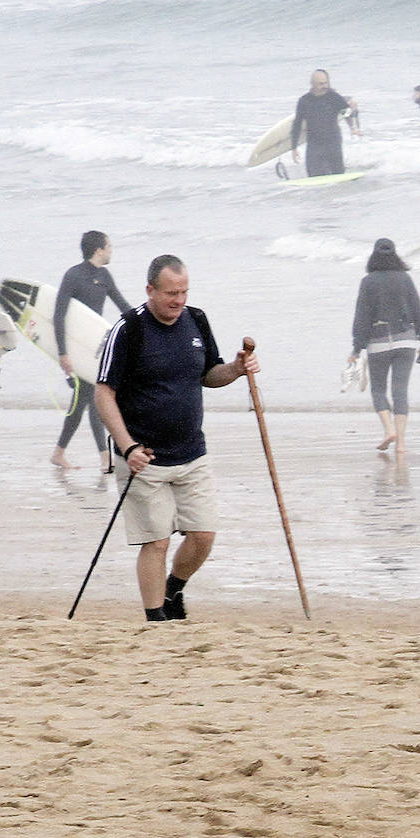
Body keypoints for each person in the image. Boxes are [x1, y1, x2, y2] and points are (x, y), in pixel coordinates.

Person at [94, 254, 258, 622]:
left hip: (192, 453)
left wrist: (235, 369)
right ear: (150, 289)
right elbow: (103, 392)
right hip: (144, 456)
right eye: (170, 293)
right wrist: (127, 447)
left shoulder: (196, 320)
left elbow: (209, 375)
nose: (178, 300)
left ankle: (172, 591)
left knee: (203, 536)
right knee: (157, 541)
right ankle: (156, 619)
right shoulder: (128, 329)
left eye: (183, 292)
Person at [51, 230, 131, 471]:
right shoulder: (73, 276)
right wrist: (63, 353)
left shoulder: (104, 275)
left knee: (86, 399)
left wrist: (143, 321)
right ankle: (103, 456)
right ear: (99, 249)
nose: (111, 250)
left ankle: (60, 452)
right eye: (109, 246)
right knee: (91, 398)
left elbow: (122, 304)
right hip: (76, 350)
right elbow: (58, 315)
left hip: (94, 347)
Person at [349, 238, 420, 454]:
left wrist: (356, 349)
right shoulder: (405, 279)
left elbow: (362, 317)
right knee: (400, 391)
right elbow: (418, 310)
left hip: (377, 344)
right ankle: (401, 444)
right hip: (406, 341)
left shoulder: (368, 282)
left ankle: (388, 431)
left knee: (378, 389)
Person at [290, 69, 359, 177]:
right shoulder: (304, 101)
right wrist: (294, 148)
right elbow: (297, 124)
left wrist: (353, 128)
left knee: (338, 176)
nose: (325, 86)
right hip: (314, 145)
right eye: (321, 84)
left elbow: (346, 113)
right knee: (314, 177)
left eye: (326, 83)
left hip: (333, 143)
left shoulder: (333, 97)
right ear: (313, 84)